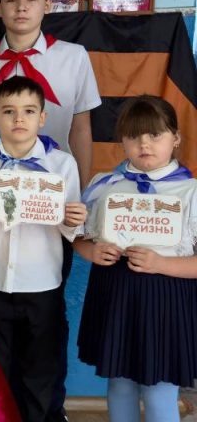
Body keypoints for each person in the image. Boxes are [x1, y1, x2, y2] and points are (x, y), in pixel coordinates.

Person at [0, 0, 102, 419]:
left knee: (44, 329)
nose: (21, 9)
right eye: (12, 0)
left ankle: (46, 412)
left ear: (46, 5)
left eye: (32, 0)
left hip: (50, 211)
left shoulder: (74, 57)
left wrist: (77, 201)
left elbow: (81, 127)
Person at [0, 76, 87, 422]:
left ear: (42, 118)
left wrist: (73, 219)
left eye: (29, 111)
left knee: (40, 366)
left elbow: (72, 230)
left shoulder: (62, 165)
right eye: (9, 111)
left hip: (41, 283)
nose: (19, 119)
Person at [75, 96, 197, 422]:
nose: (144, 144)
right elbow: (78, 237)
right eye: (133, 135)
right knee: (120, 385)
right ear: (123, 141)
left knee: (159, 391)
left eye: (155, 134)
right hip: (116, 293)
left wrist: (161, 264)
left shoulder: (191, 191)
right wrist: (92, 251)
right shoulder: (104, 185)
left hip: (167, 298)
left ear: (176, 138)